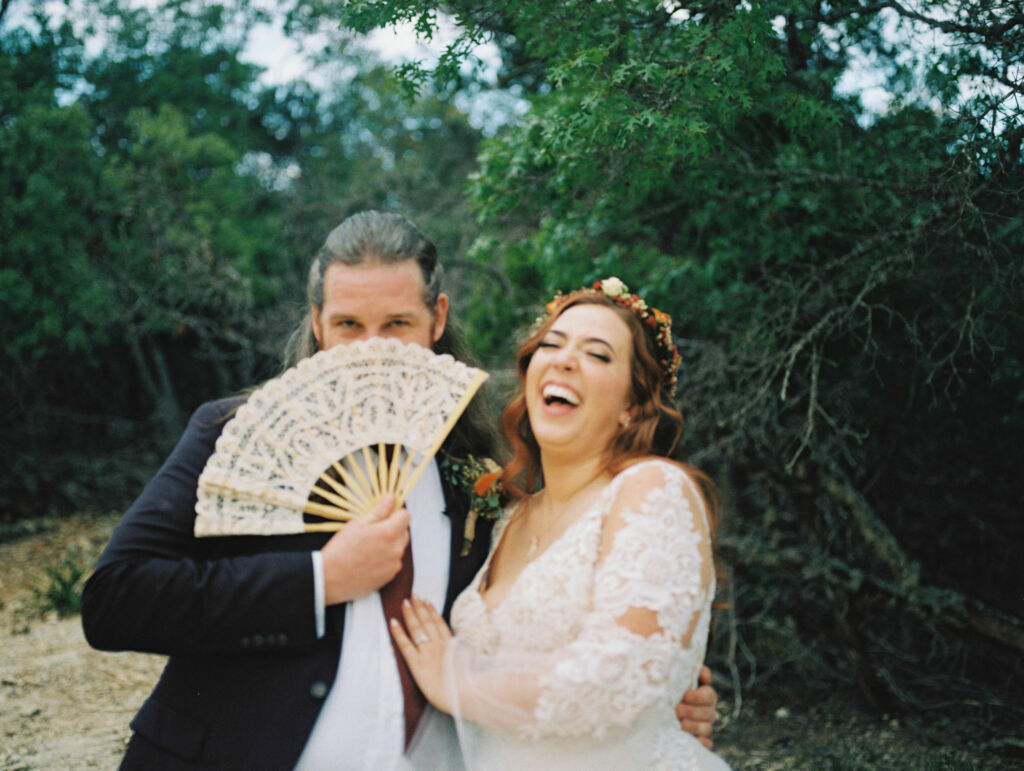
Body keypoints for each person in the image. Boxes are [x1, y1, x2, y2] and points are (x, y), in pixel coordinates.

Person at [81, 212, 717, 769]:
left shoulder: (479, 475)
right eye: (350, 324)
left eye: (397, 323)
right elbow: (115, 600)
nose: (371, 351)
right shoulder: (229, 431)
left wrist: (656, 707)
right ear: (317, 324)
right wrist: (320, 579)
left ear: (437, 319)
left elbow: (532, 634)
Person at [391, 278, 730, 769]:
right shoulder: (508, 518)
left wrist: (455, 681)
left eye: (597, 354)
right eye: (551, 345)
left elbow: (622, 678)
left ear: (632, 406)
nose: (564, 360)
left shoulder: (652, 490)